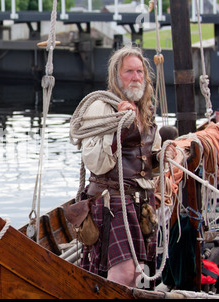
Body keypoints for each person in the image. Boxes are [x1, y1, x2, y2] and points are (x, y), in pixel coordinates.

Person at [73, 46, 176, 287]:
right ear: (117, 76)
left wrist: (163, 157)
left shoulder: (146, 110)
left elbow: (148, 160)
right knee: (124, 273)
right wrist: (116, 126)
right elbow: (95, 162)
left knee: (137, 271)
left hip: (139, 202)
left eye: (140, 71)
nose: (136, 77)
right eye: (129, 71)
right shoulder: (102, 107)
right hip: (112, 201)